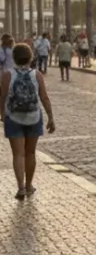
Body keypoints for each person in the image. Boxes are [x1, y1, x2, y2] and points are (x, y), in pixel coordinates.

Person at [1, 44, 55, 200]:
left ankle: (21, 187)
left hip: (14, 117)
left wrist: (2, 114)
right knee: (30, 153)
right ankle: (30, 184)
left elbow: (2, 97)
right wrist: (51, 117)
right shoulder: (37, 75)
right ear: (31, 57)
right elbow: (44, 97)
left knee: (18, 154)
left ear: (14, 58)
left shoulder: (7, 75)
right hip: (34, 118)